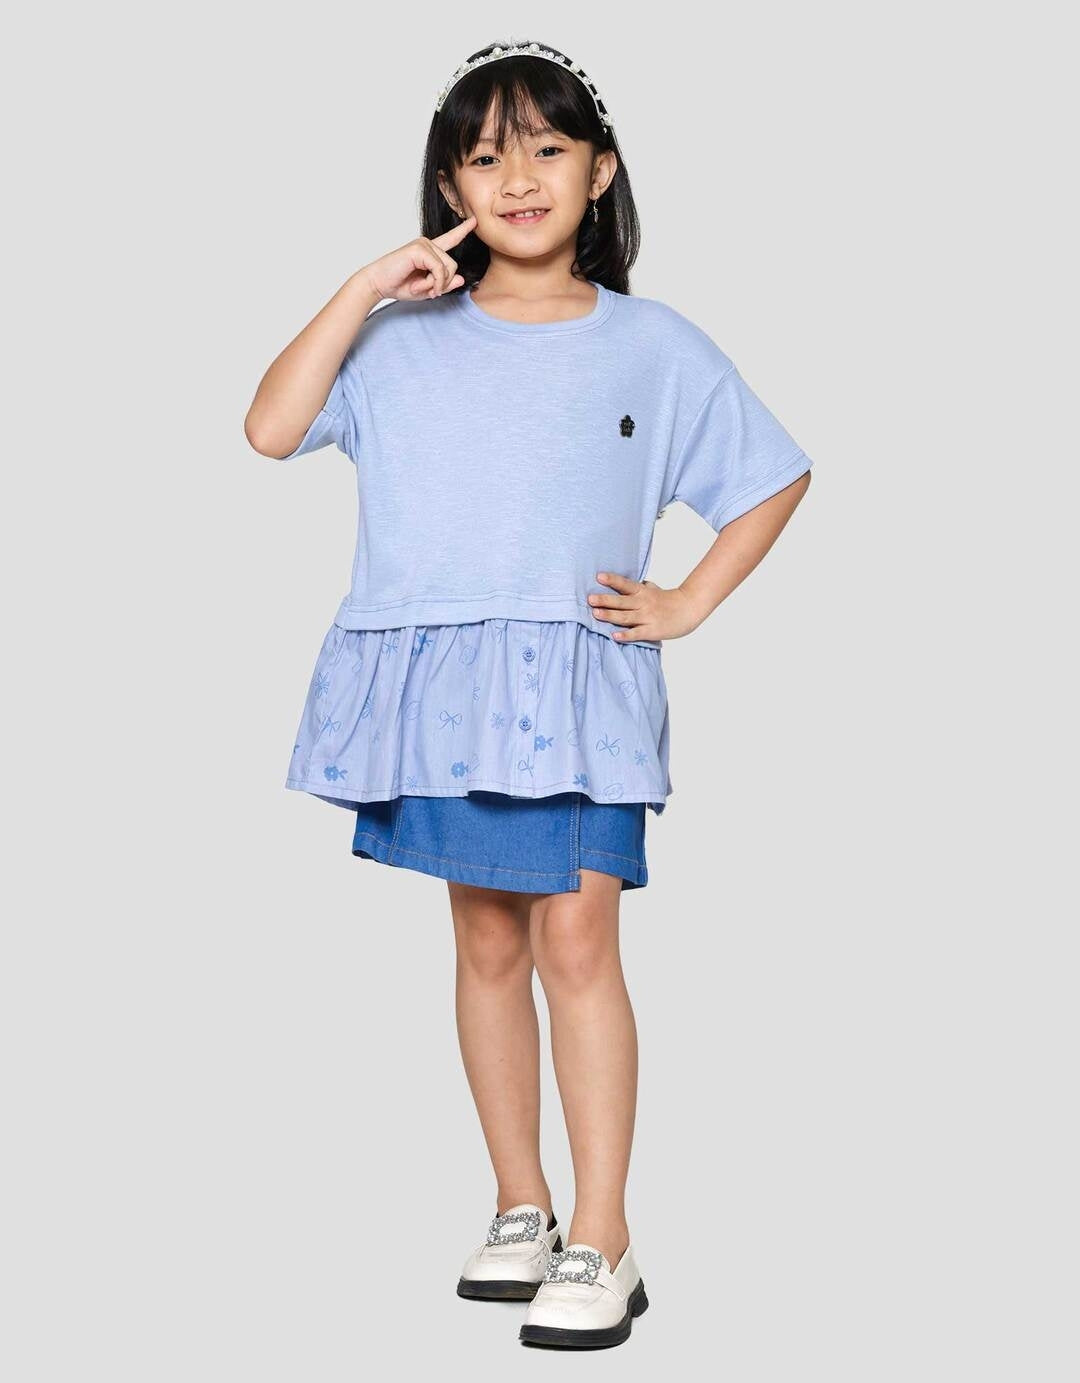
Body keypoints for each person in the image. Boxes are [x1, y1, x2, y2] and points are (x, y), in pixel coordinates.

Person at [244, 37, 813, 1350]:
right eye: (485, 155)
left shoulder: (652, 345)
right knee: (489, 943)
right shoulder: (396, 344)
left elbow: (773, 474)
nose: (518, 178)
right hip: (444, 692)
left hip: (579, 690)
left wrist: (688, 600)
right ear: (450, 183)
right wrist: (363, 287)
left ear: (600, 172)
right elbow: (270, 429)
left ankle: (604, 1232)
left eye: (548, 148)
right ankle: (522, 1205)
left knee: (578, 942)